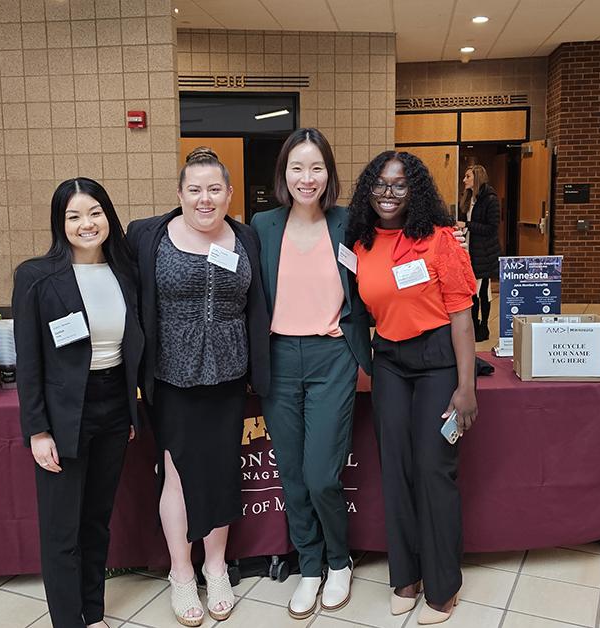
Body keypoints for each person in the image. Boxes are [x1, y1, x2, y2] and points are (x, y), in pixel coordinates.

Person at [125, 147, 270, 626]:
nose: (204, 199)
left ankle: (216, 566)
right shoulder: (148, 235)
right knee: (178, 471)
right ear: (180, 193)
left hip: (229, 373)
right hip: (171, 376)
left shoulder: (245, 238)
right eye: (194, 189)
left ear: (229, 193)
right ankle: (182, 572)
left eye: (214, 189)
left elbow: (262, 301)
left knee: (222, 468)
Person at [347, 150, 478, 625]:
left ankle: (443, 585)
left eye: (400, 185)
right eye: (380, 184)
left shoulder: (441, 240)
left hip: (438, 360)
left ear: (416, 190)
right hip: (391, 363)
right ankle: (405, 575)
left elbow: (462, 318)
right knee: (394, 468)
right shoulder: (359, 241)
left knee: (432, 467)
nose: (388, 193)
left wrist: (467, 387)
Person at [12, 178, 145, 628]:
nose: (86, 224)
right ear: (60, 223)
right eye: (73, 216)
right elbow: (29, 361)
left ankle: (92, 614)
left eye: (94, 213)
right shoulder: (37, 277)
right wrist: (37, 429)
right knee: (61, 531)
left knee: (96, 522)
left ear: (108, 216)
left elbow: (131, 348)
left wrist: (128, 409)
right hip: (64, 414)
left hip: (113, 408)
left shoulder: (126, 273)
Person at [250, 128, 371, 619]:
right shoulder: (261, 225)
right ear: (283, 173)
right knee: (294, 475)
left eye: (316, 167)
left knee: (322, 474)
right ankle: (310, 565)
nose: (307, 177)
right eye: (297, 168)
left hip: (331, 357)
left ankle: (339, 562)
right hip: (278, 357)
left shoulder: (349, 223)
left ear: (329, 174)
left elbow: (372, 283)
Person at [460, 165, 501, 341]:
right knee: (472, 290)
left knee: (482, 290)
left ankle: (483, 326)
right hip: (470, 249)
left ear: (477, 178)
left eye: (467, 176)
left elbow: (492, 228)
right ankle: (474, 324)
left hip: (484, 252)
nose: (464, 180)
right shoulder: (470, 198)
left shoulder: (490, 199)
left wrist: (467, 226)